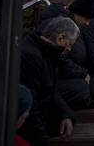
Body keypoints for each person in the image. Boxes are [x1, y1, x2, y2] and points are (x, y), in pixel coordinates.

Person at [19, 17, 78, 146]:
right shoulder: (32, 56)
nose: (69, 49)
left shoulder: (47, 51)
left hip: (37, 113)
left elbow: (51, 88)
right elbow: (31, 105)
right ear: (61, 38)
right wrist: (43, 141)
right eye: (70, 44)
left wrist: (65, 113)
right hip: (26, 121)